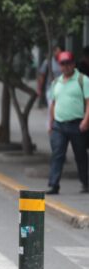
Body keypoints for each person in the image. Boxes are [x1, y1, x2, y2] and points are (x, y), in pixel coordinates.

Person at [46, 51, 89, 195]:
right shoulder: (56, 82)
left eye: (68, 63)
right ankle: (53, 185)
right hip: (59, 124)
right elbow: (53, 103)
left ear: (73, 64)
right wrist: (50, 123)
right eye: (63, 64)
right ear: (59, 66)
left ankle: (85, 182)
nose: (66, 67)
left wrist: (86, 120)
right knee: (57, 154)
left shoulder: (82, 80)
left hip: (77, 123)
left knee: (80, 155)